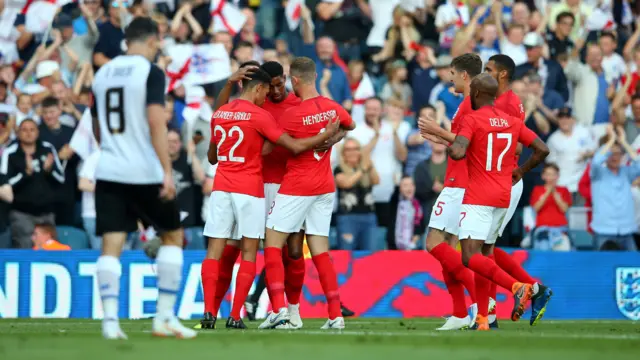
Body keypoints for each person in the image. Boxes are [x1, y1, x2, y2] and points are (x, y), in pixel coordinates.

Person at [201, 65, 341, 330]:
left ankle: (288, 310)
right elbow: (292, 144)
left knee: (291, 251)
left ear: (288, 80)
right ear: (259, 87)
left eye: (279, 85)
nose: (272, 93)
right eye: (268, 88)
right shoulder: (259, 113)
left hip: (257, 185)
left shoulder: (225, 113)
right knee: (244, 251)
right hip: (253, 185)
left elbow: (214, 148)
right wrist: (326, 135)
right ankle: (238, 313)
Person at [90, 17, 195, 340]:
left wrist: (112, 148)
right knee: (173, 236)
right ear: (152, 41)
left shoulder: (102, 72)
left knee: (111, 245)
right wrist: (166, 170)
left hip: (108, 168)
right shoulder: (150, 72)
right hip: (144, 171)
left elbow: (96, 125)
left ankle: (110, 323)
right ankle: (163, 318)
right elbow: (155, 121)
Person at [419, 73, 551, 331]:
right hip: (503, 193)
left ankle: (519, 288)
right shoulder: (512, 121)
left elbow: (458, 151)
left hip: (478, 194)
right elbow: (542, 149)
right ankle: (484, 318)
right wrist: (521, 170)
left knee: (470, 256)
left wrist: (447, 142)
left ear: (476, 94)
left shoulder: (473, 119)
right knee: (487, 252)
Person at [263, 56, 356, 330]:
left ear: (294, 81)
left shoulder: (293, 115)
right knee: (320, 250)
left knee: (271, 243)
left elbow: (282, 147)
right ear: (315, 77)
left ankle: (279, 310)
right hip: (325, 186)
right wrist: (331, 139)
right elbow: (349, 126)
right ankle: (335, 315)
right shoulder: (332, 107)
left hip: (297, 185)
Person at [483, 54, 552, 328]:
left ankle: (488, 316)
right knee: (483, 247)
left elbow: (519, 146)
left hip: (503, 180)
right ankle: (534, 290)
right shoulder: (501, 100)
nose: (484, 72)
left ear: (501, 74)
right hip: (493, 180)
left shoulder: (507, 103)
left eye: (488, 69)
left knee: (480, 249)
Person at [417, 53, 482, 331]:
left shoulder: (470, 105)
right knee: (449, 249)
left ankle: (479, 303)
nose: (450, 78)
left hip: (459, 184)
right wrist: (440, 137)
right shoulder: (466, 104)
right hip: (459, 179)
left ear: (464, 76)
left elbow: (469, 144)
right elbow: (461, 145)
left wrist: (438, 130)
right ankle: (459, 313)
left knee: (433, 243)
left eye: (453, 74)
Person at [1, 119, 64, 249]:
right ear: (18, 133)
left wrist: (49, 170)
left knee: (51, 251)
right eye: (24, 130)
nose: (28, 133)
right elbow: (4, 185)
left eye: (32, 129)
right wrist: (25, 173)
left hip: (47, 213)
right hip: (21, 213)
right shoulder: (10, 152)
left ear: (38, 132)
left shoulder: (48, 148)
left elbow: (61, 179)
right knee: (25, 250)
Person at [590, 126, 640, 251]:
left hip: (626, 230)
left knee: (631, 267)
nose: (614, 157)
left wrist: (624, 142)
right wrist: (611, 140)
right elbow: (596, 161)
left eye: (618, 154)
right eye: (611, 153)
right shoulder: (598, 173)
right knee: (602, 268)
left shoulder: (626, 172)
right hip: (604, 230)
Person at [335, 137, 380, 251]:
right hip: (347, 218)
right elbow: (346, 183)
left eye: (355, 149)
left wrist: (369, 164)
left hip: (369, 217)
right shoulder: (338, 169)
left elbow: (376, 181)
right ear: (343, 153)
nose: (352, 152)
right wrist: (362, 170)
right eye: (348, 149)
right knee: (346, 254)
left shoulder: (365, 168)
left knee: (370, 254)